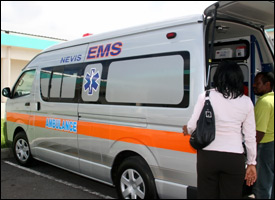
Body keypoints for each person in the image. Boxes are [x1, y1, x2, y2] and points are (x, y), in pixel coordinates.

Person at [183, 61, 257, 199]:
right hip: (234, 158)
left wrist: (187, 129)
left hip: (208, 157)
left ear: (217, 76)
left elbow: (192, 126)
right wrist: (251, 163)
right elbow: (250, 137)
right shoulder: (246, 102)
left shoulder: (206, 97)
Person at [252, 72, 274, 199]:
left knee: (262, 185)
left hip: (265, 146)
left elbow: (259, 132)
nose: (254, 85)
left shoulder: (264, 102)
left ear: (267, 85)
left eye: (258, 83)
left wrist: (251, 151)